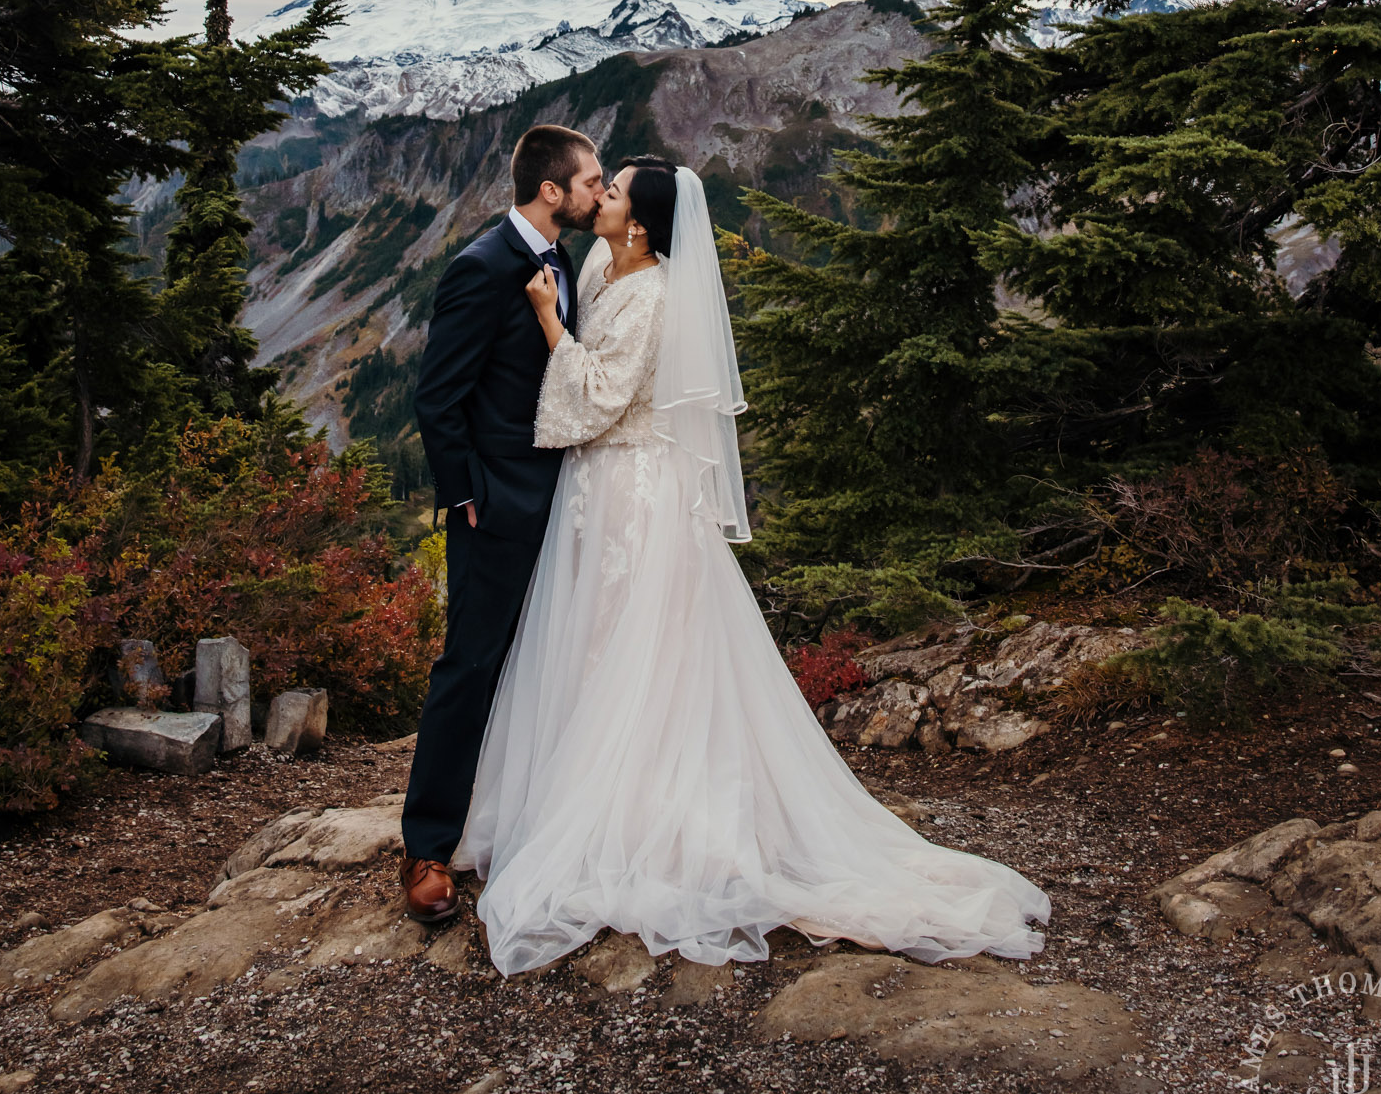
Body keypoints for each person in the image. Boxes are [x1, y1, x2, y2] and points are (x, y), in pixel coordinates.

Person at [455, 156, 1050, 975]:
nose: (602, 196)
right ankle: (577, 794)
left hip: (633, 490)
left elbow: (598, 398)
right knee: (590, 643)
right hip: (595, 490)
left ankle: (634, 815)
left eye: (615, 191)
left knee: (633, 646)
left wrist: (551, 323)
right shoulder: (600, 262)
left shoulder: (654, 293)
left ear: (640, 223)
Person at [399, 122, 604, 925]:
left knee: (551, 663)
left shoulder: (567, 264)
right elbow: (436, 395)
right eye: (590, 180)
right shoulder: (481, 267)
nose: (598, 191)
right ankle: (425, 848)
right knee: (469, 667)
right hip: (496, 506)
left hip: (563, 501)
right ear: (550, 190)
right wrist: (462, 496)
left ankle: (530, 820)